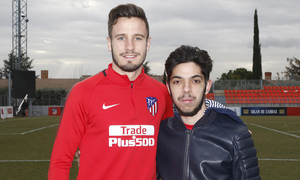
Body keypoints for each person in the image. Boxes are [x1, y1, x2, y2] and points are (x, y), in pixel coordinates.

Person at [48, 4, 173, 180]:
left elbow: (170, 147)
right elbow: (60, 162)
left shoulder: (161, 93)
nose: (129, 47)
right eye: (121, 38)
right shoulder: (83, 92)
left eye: (138, 38)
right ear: (109, 43)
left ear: (148, 43)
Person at [156, 45, 260, 179]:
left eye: (195, 81)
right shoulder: (160, 133)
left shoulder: (236, 136)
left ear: (207, 86)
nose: (186, 89)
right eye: (177, 81)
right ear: (168, 88)